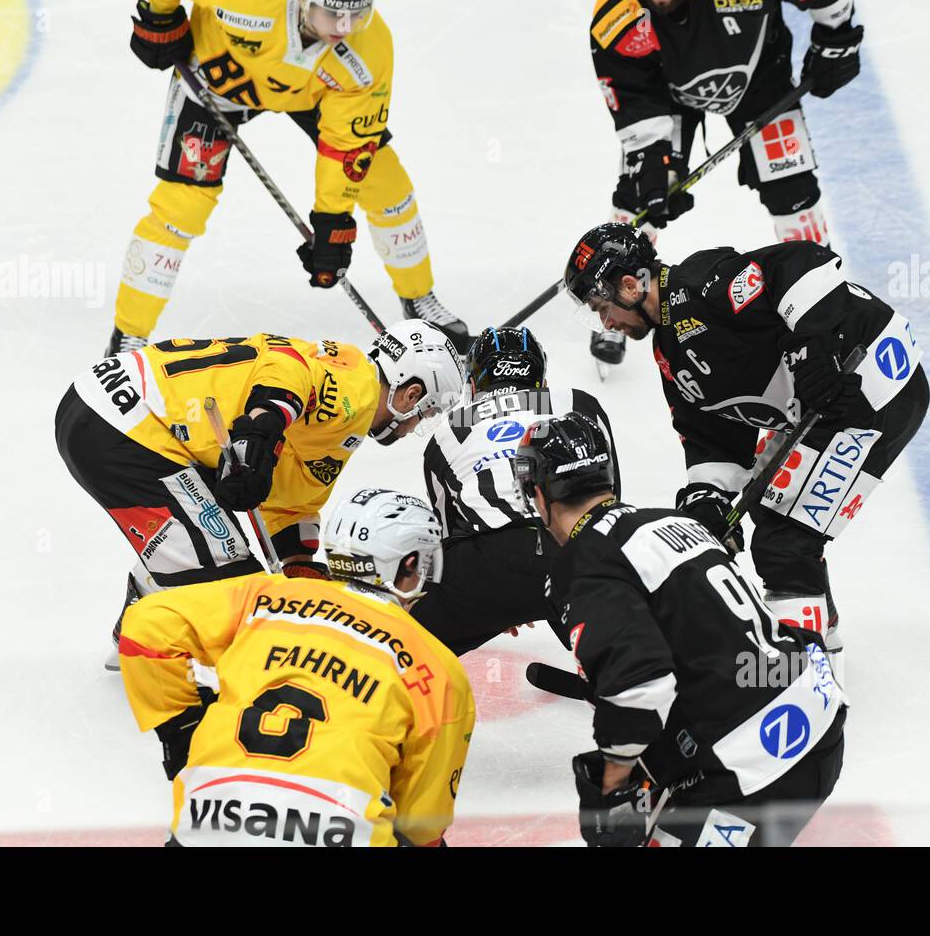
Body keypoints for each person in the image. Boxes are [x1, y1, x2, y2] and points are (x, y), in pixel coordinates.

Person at [562, 222, 929, 646]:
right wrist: (708, 499)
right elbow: (711, 434)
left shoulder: (700, 282)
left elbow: (803, 263)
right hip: (826, 408)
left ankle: (805, 680)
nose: (606, 323)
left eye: (602, 306)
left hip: (872, 378)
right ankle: (816, 636)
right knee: (776, 520)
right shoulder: (669, 352)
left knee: (783, 543)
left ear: (629, 285)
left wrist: (813, 347)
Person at [514, 412, 847, 846]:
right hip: (819, 723)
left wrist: (615, 784)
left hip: (752, 770)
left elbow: (639, 684)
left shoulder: (584, 561)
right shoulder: (675, 522)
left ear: (539, 493)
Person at [55, 319, 464, 662]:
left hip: (113, 409)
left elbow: (292, 497)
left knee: (220, 553)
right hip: (123, 426)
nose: (414, 425)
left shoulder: (349, 410)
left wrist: (297, 561)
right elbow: (284, 364)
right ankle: (159, 663)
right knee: (237, 594)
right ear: (411, 394)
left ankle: (139, 625)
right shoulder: (354, 390)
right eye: (424, 413)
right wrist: (259, 431)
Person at [109, 0, 471, 356]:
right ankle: (129, 335)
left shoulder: (368, 51)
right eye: (332, 13)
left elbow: (348, 146)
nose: (344, 28)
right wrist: (161, 12)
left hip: (311, 91)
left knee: (385, 182)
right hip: (216, 80)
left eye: (357, 14)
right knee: (182, 205)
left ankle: (420, 299)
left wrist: (333, 222)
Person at [117, 487, 475, 847]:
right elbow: (423, 824)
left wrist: (182, 729)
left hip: (209, 825)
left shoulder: (266, 596)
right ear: (409, 564)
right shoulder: (437, 667)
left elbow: (146, 626)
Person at [586, 0, 862, 368]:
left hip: (760, 77)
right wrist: (652, 165)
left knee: (792, 190)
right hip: (668, 93)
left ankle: (827, 298)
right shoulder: (617, 16)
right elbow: (633, 99)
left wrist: (838, 36)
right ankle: (612, 300)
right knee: (641, 193)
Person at [413, 327, 620, 655]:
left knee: (400, 650)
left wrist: (499, 602)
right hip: (575, 550)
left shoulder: (447, 432)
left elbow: (449, 537)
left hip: (489, 565)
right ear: (542, 381)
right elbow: (606, 498)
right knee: (637, 648)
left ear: (472, 386)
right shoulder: (579, 401)